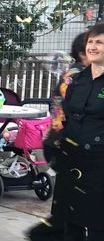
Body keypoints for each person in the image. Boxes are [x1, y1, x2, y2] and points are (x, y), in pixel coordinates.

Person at [37, 24, 104, 240]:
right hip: (72, 160)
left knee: (97, 224)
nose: (93, 46)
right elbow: (63, 114)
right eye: (91, 41)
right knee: (70, 221)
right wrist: (56, 142)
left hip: (99, 164)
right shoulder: (76, 80)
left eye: (99, 42)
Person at [27, 31, 89, 241]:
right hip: (65, 145)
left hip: (68, 144)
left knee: (74, 203)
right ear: (83, 53)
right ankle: (44, 234)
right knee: (72, 204)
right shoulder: (76, 77)